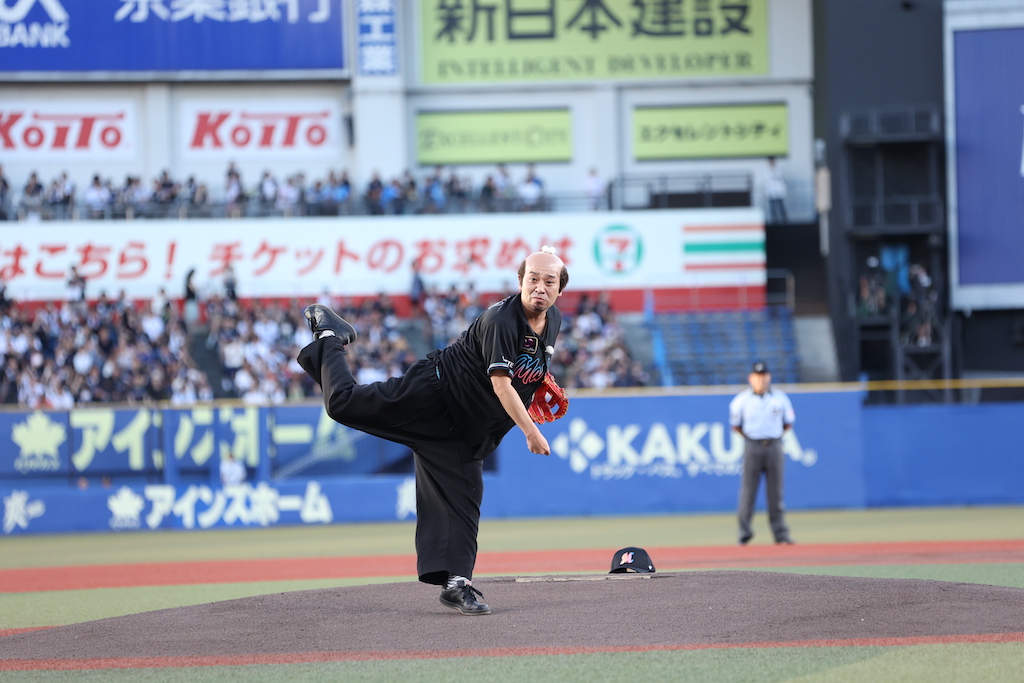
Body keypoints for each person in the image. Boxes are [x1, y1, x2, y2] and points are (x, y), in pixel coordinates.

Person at [297, 247, 568, 616]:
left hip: (466, 428)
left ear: (559, 289)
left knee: (466, 499)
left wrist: (538, 384)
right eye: (532, 278)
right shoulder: (503, 320)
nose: (540, 286)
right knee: (342, 404)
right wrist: (530, 431)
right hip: (433, 396)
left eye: (549, 281)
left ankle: (457, 584)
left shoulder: (553, 321)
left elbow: (526, 368)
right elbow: (502, 384)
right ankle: (330, 335)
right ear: (520, 281)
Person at [729, 361, 796, 546]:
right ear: (751, 378)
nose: (761, 379)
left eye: (764, 375)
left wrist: (773, 437)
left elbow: (788, 423)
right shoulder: (741, 400)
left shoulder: (780, 398)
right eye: (758, 376)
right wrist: (753, 439)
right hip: (752, 446)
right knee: (748, 492)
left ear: (769, 377)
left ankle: (781, 535)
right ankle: (744, 534)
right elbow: (736, 426)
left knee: (776, 492)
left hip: (774, 445)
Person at [764, 157, 788, 224]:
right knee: (772, 210)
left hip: (779, 192)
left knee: (781, 209)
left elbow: (782, 180)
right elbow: (767, 183)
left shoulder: (779, 170)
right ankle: (774, 223)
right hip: (771, 193)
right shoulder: (767, 171)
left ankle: (785, 223)